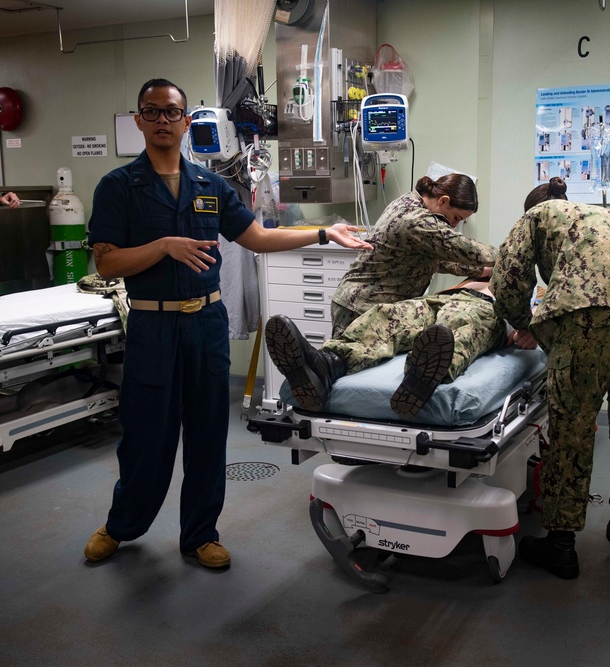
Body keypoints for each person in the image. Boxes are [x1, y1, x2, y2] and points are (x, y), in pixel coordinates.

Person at [83, 78, 371, 569]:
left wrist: (324, 231)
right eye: (151, 112)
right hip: (154, 328)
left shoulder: (210, 186)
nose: (162, 122)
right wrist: (163, 247)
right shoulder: (118, 187)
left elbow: (257, 236)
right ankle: (122, 525)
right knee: (146, 436)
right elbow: (106, 263)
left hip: (206, 326)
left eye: (172, 113)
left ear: (186, 120)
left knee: (207, 433)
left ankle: (199, 535)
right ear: (139, 121)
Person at [489, 177, 610, 580]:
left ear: (533, 207)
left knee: (572, 426)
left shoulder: (535, 215)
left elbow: (506, 280)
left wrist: (525, 324)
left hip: (588, 317)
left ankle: (561, 547)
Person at [265, 278, 507, 418]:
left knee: (460, 325)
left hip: (487, 307)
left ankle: (421, 376)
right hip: (438, 298)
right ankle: (329, 364)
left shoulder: (519, 285)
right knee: (386, 315)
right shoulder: (480, 272)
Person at [329, 173, 496, 337]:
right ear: (443, 200)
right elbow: (465, 249)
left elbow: (437, 259)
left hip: (368, 304)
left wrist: (481, 272)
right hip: (361, 306)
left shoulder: (411, 201)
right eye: (455, 218)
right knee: (351, 360)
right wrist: (510, 255)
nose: (453, 225)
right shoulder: (416, 220)